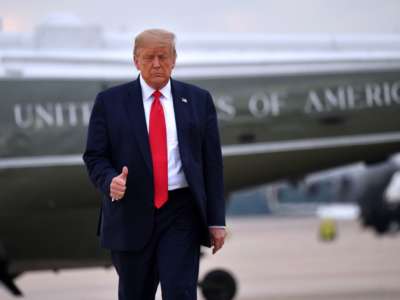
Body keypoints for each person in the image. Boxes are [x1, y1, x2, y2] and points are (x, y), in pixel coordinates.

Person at [83, 28, 226, 300]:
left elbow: (212, 164)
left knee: (180, 292)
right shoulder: (110, 102)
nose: (157, 64)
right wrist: (110, 180)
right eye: (149, 57)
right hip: (131, 212)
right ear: (136, 61)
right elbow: (94, 156)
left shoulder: (198, 100)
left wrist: (216, 221)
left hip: (180, 212)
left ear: (174, 59)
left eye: (163, 56)